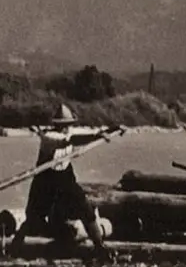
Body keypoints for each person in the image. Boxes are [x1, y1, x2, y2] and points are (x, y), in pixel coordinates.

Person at [10, 105, 117, 250]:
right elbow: (71, 140)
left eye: (68, 125)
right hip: (46, 180)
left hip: (65, 177)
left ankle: (99, 246)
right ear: (57, 125)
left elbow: (88, 133)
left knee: (85, 209)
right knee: (34, 219)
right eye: (63, 125)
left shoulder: (70, 133)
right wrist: (96, 136)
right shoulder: (49, 137)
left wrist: (111, 130)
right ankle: (15, 247)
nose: (66, 128)